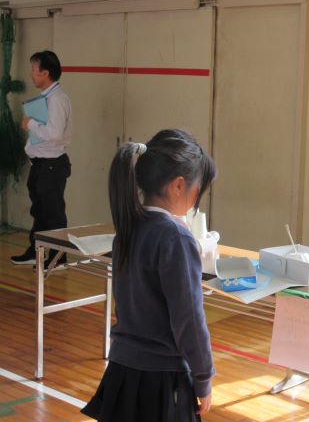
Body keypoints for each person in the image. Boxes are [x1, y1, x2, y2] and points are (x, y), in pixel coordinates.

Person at [81, 129, 216, 422]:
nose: (196, 200)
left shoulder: (128, 229)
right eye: (198, 190)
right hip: (162, 379)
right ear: (178, 185)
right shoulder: (175, 237)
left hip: (122, 372)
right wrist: (204, 377)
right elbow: (189, 320)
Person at [10, 50, 72, 270]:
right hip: (41, 163)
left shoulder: (57, 99)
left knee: (53, 213)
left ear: (45, 73)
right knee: (40, 211)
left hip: (52, 165)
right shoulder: (46, 98)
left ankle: (58, 258)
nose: (31, 74)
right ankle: (35, 251)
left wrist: (31, 123)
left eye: (34, 69)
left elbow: (54, 133)